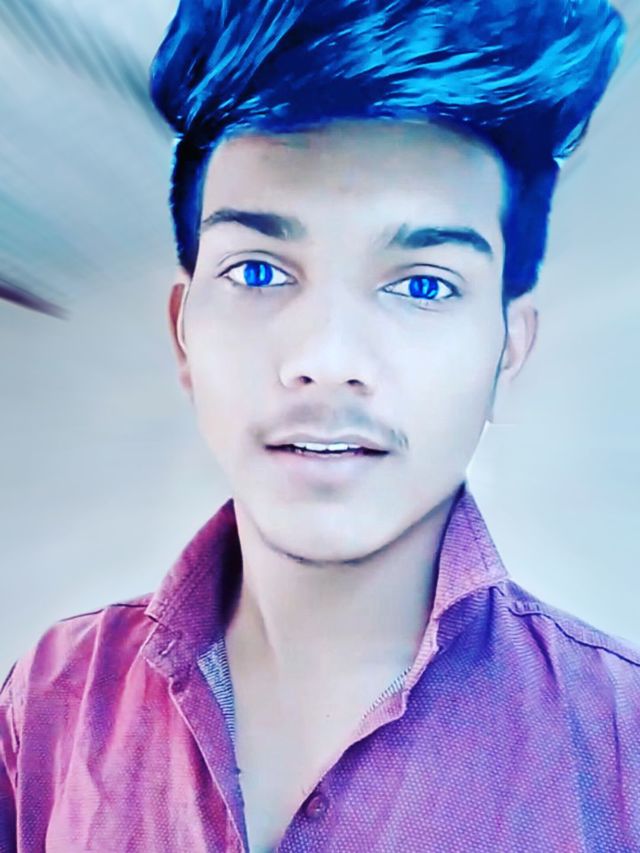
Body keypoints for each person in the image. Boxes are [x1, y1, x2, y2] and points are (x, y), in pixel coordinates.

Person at [1, 0, 638, 850]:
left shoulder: (622, 743)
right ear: (183, 332)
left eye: (423, 284)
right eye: (258, 271)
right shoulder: (52, 699)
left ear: (506, 351)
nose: (327, 358)